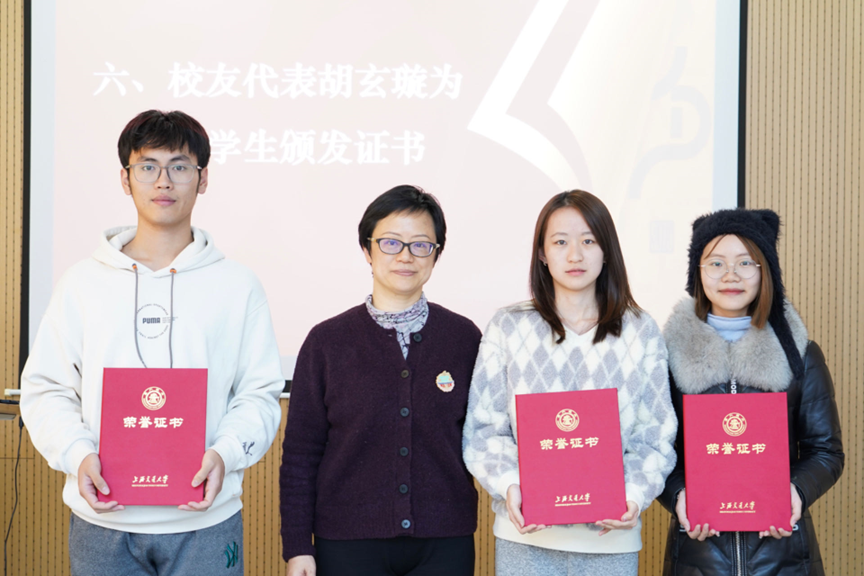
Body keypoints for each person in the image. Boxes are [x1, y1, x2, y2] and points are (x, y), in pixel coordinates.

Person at [20, 110, 284, 575]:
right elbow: (46, 388)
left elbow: (259, 392)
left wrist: (225, 453)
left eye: (180, 166)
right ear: (125, 179)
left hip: (207, 520)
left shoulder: (238, 285)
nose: (164, 181)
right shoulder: (82, 283)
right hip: (103, 521)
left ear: (203, 179)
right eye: (148, 166)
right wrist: (77, 454)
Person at [462, 190, 677, 575]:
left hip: (610, 539)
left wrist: (632, 494)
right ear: (542, 254)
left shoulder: (640, 330)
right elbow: (484, 428)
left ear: (607, 251)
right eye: (560, 242)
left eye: (588, 241)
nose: (575, 255)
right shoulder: (508, 327)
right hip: (526, 538)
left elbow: (655, 434)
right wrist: (511, 485)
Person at [279, 185, 482, 576]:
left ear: (436, 254)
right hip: (347, 542)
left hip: (444, 542)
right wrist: (298, 547)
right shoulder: (327, 341)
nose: (405, 256)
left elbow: (484, 436)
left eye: (420, 245)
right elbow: (301, 455)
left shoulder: (464, 338)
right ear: (367, 250)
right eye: (390, 243)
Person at [659, 208, 844, 575]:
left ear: (766, 271)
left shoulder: (800, 354)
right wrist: (679, 495)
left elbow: (826, 451)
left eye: (745, 262)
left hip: (784, 558)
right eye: (716, 263)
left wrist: (794, 492)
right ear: (698, 273)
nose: (730, 275)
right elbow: (656, 448)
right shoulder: (667, 357)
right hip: (698, 557)